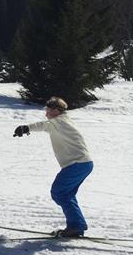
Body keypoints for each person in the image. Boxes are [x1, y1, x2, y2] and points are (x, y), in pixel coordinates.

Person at [13, 96, 93, 237]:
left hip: (77, 164)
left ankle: (76, 225)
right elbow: (47, 126)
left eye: (48, 110)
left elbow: (44, 125)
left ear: (56, 110)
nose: (46, 113)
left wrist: (26, 128)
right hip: (82, 163)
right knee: (66, 194)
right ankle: (76, 226)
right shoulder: (62, 121)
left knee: (59, 193)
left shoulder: (59, 122)